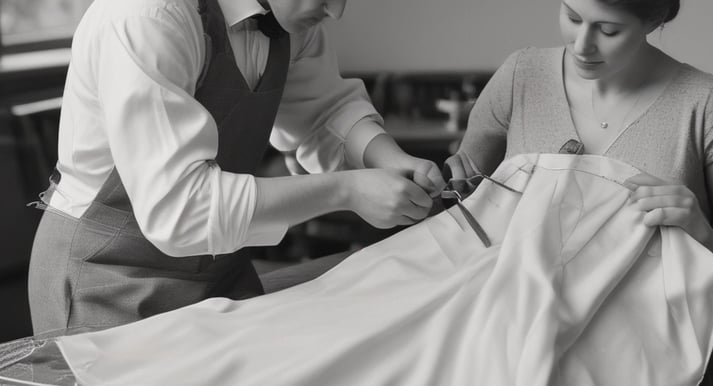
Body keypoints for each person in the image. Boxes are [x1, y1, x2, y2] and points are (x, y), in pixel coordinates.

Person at [27, 0, 445, 338]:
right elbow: (181, 210)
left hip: (216, 272)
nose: (337, 11)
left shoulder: (292, 21)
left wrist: (387, 158)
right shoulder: (147, 15)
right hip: (107, 277)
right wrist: (346, 191)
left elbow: (324, 111)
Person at [444, 0, 713, 384]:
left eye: (609, 30)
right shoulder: (520, 76)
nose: (582, 45)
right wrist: (449, 191)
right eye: (572, 16)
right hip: (515, 355)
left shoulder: (702, 103)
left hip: (659, 367)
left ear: (655, 19)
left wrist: (707, 241)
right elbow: (462, 204)